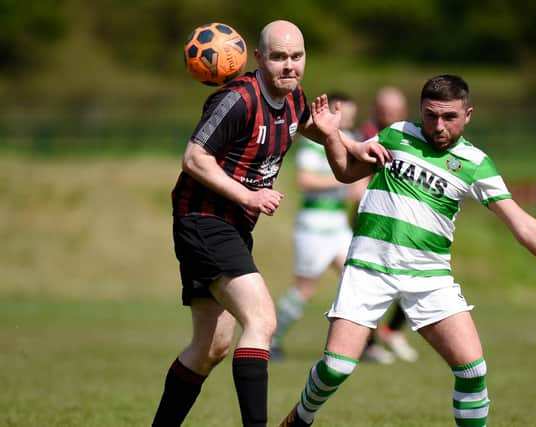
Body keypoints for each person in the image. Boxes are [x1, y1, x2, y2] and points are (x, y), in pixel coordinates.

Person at [278, 74, 536, 427]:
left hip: (429, 277)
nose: (439, 126)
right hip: (369, 268)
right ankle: (301, 418)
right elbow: (344, 172)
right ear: (421, 110)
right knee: (337, 368)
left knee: (473, 371)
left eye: (450, 117)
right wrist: (329, 136)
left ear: (468, 115)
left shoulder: (476, 163)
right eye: (431, 115)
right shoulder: (398, 134)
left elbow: (521, 223)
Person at [150, 20, 382, 427]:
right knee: (262, 320)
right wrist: (248, 195)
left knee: (211, 347)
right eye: (278, 57)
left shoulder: (294, 99)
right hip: (204, 220)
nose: (289, 66)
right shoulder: (238, 99)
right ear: (258, 58)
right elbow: (194, 158)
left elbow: (319, 135)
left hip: (232, 226)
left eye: (296, 56)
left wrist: (351, 143)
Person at [270, 93, 364, 361]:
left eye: (351, 115)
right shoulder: (313, 144)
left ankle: (362, 344)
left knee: (358, 279)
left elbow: (358, 188)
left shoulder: (353, 140)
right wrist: (344, 180)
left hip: (338, 227)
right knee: (305, 290)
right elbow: (306, 180)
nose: (347, 119)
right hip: (313, 226)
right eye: (343, 112)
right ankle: (269, 339)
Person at [358, 86, 419, 364]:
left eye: (394, 111)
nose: (389, 116)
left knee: (417, 279)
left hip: (406, 223)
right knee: (368, 284)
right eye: (384, 111)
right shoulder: (367, 136)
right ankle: (369, 343)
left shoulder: (412, 136)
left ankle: (392, 330)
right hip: (374, 222)